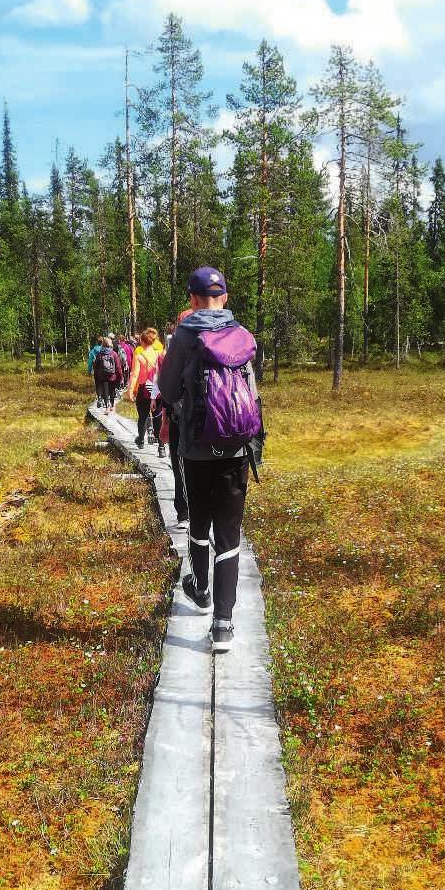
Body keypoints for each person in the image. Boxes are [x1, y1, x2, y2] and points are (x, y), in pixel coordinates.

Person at [157, 268, 262, 652]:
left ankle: (201, 590)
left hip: (197, 449)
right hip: (238, 449)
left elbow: (167, 389)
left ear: (192, 299)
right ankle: (223, 625)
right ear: (226, 297)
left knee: (199, 523)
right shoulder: (243, 335)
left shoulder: (185, 336)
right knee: (230, 535)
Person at [127, 328, 164, 447]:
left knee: (143, 416)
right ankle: (161, 446)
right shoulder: (160, 354)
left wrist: (131, 390)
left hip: (144, 389)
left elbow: (134, 374)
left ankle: (141, 441)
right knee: (158, 417)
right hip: (157, 389)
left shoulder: (139, 354)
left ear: (142, 341)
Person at [92, 336, 120, 411]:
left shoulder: (100, 354)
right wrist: (120, 377)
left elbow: (96, 367)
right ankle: (112, 405)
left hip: (103, 376)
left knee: (105, 391)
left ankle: (107, 406)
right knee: (112, 391)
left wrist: (96, 377)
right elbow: (118, 367)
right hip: (112, 376)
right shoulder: (114, 354)